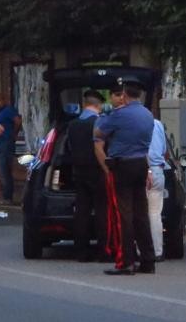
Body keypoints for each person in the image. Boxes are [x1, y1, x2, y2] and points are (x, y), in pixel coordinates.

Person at [95, 76, 155, 276]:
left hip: (122, 166)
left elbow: (98, 133)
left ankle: (126, 261)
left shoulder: (118, 114)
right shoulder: (148, 114)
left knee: (123, 215)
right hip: (141, 164)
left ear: (124, 95)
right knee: (141, 214)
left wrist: (104, 115)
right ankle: (148, 259)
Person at [67, 90, 109, 262]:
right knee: (102, 211)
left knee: (82, 211)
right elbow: (103, 147)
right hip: (97, 170)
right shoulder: (100, 122)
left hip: (78, 171)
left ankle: (81, 251)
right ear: (99, 105)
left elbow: (69, 147)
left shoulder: (73, 124)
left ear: (85, 104)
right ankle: (103, 250)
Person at [146, 118, 171, 262]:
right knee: (155, 213)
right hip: (158, 171)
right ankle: (157, 251)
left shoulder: (133, 123)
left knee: (138, 212)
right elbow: (164, 150)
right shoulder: (157, 124)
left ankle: (140, 249)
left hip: (144, 170)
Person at [0, 93, 22, 204]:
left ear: (4, 100)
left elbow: (18, 121)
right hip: (0, 145)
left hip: (6, 144)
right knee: (4, 171)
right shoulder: (0, 113)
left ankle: (7, 197)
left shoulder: (9, 110)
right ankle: (6, 196)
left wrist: (13, 134)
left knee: (4, 171)